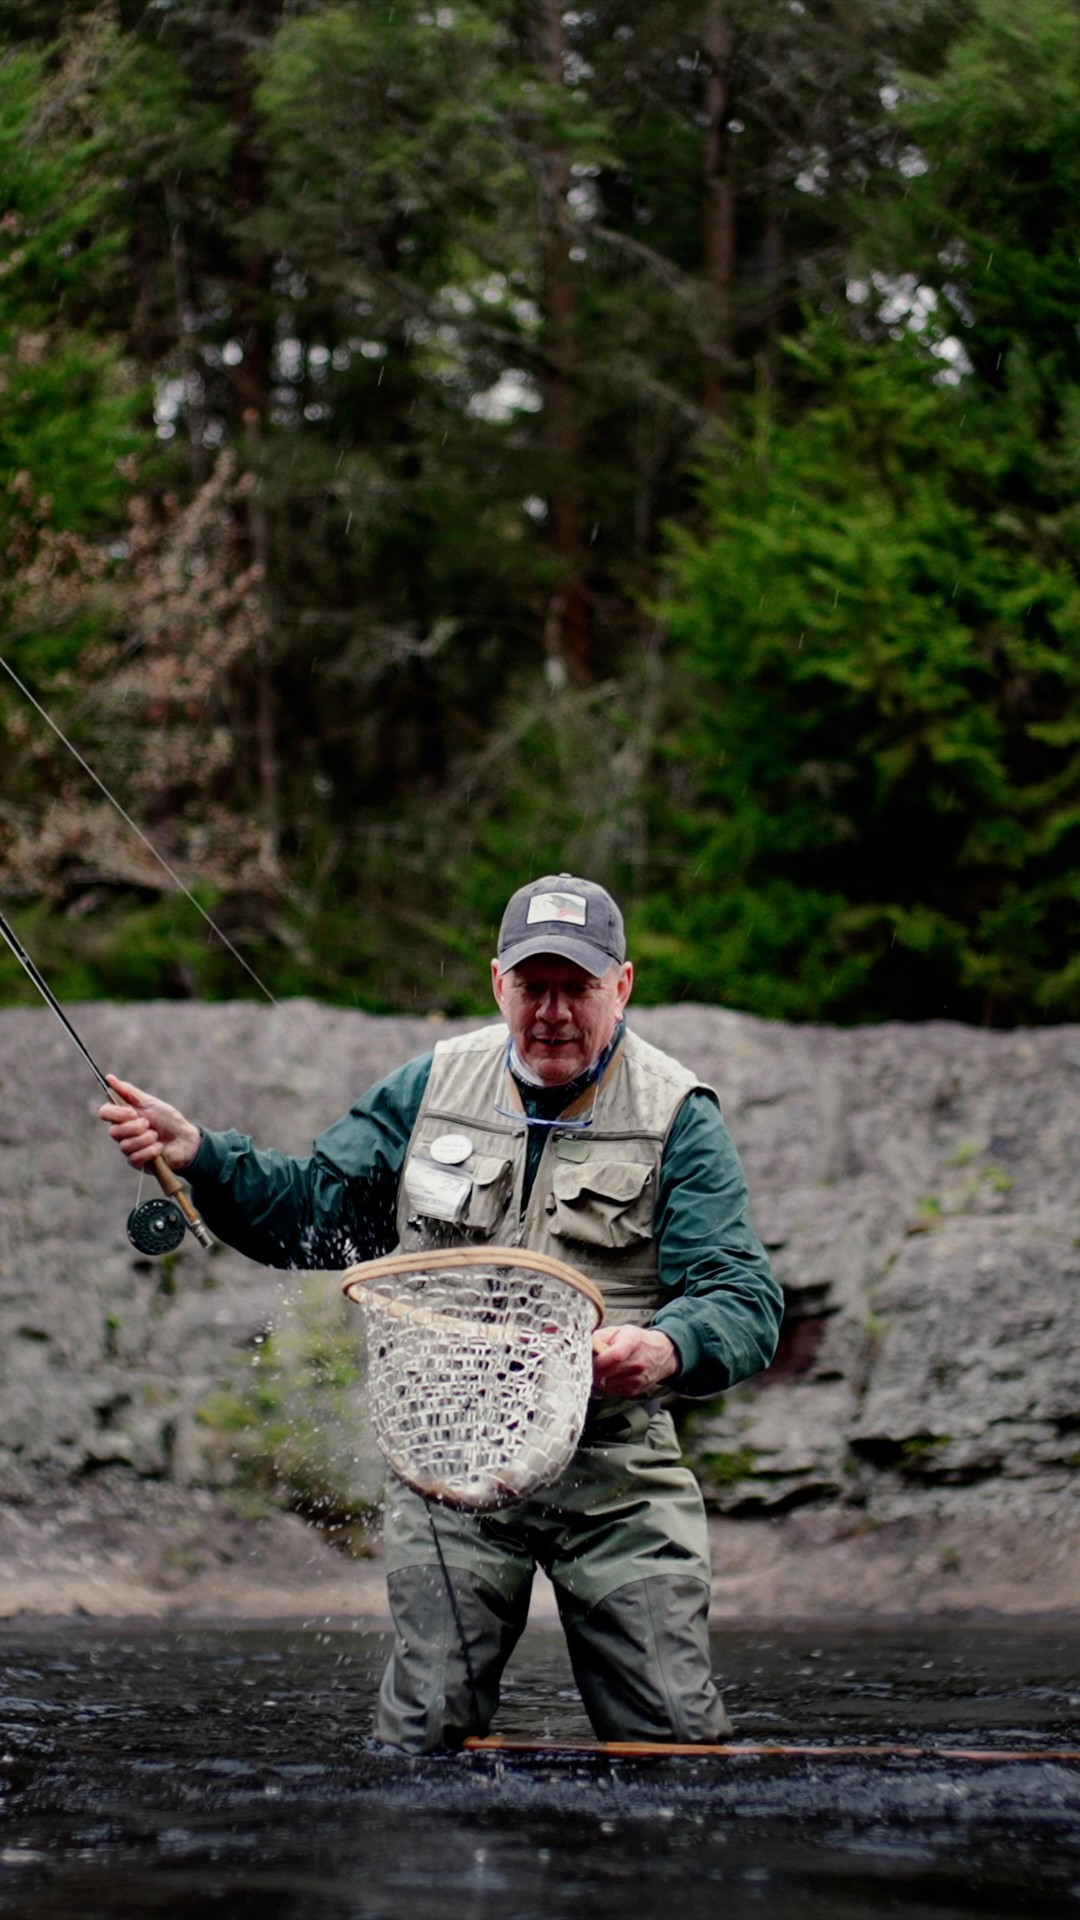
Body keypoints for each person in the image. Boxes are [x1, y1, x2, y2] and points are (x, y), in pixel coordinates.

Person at [99, 873, 782, 1752]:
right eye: (533, 987)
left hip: (614, 1472)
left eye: (576, 987)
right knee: (425, 1733)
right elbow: (314, 1214)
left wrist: (666, 1346)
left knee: (674, 1738)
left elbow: (743, 1296)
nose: (553, 1012)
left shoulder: (677, 1115)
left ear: (623, 985)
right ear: (498, 982)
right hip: (448, 1464)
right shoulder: (432, 1084)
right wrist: (199, 1155)